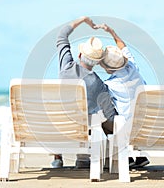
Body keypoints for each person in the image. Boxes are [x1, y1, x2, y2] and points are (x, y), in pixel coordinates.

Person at [52, 16, 117, 168]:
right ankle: (82, 157)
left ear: (80, 55)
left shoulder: (66, 66)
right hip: (81, 129)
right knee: (95, 115)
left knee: (65, 112)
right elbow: (109, 114)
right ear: (97, 63)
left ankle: (58, 157)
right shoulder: (98, 83)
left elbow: (61, 35)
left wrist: (82, 20)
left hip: (58, 125)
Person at [99, 23, 150, 168]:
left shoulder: (111, 85)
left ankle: (124, 157)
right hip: (145, 124)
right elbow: (122, 45)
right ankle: (138, 157)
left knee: (104, 119)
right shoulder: (133, 66)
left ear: (106, 67)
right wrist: (112, 31)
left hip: (127, 129)